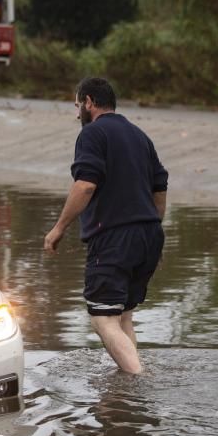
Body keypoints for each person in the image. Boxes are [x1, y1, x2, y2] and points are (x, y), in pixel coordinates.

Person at [43, 77, 168, 374]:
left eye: (77, 106)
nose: (77, 114)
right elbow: (160, 184)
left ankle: (139, 383)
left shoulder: (92, 134)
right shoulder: (139, 135)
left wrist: (58, 228)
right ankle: (128, 386)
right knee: (123, 315)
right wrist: (153, 227)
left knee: (102, 319)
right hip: (149, 234)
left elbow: (85, 185)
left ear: (89, 102)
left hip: (114, 236)